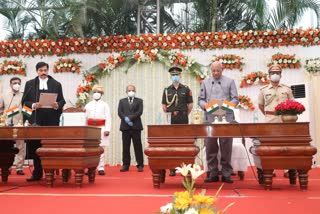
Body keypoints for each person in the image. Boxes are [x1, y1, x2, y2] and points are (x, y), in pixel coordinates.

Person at [22, 61, 65, 182]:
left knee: (50, 148)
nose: (43, 73)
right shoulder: (30, 84)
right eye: (41, 70)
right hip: (36, 121)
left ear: (48, 70)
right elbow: (24, 102)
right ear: (37, 71)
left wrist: (57, 104)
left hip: (51, 120)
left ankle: (50, 173)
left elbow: (62, 101)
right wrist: (34, 105)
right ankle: (37, 173)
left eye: (45, 70)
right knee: (36, 147)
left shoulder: (56, 84)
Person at [198, 61, 239, 183]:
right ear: (211, 70)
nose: (216, 73)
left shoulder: (230, 81)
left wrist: (226, 106)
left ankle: (226, 173)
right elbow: (200, 99)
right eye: (213, 71)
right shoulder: (205, 82)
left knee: (226, 146)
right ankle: (213, 172)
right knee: (210, 146)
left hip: (226, 117)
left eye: (218, 70)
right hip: (210, 118)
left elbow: (235, 99)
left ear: (223, 69)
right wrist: (206, 106)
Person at [256, 64, 294, 182]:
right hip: (270, 120)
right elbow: (261, 106)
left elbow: (292, 105)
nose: (275, 75)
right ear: (269, 75)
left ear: (281, 75)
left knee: (286, 145)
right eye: (273, 73)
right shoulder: (264, 90)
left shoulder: (287, 89)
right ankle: (270, 169)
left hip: (285, 120)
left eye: (277, 73)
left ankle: (287, 170)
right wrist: (270, 115)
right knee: (270, 146)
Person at [161, 66, 193, 176]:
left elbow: (190, 105)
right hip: (171, 119)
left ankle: (184, 167)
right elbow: (164, 107)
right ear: (170, 76)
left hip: (183, 117)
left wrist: (183, 114)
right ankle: (172, 168)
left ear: (180, 76)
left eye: (177, 75)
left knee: (184, 143)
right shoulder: (166, 90)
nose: (175, 77)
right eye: (173, 75)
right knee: (171, 144)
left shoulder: (186, 89)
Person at [0, 77, 25, 175]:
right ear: (10, 84)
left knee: (20, 146)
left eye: (19, 83)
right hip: (6, 124)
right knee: (7, 146)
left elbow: (27, 110)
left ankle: (19, 167)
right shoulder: (4, 95)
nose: (17, 84)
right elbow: (1, 109)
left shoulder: (23, 96)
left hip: (19, 123)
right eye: (15, 83)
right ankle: (7, 166)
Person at [84, 85, 111, 175]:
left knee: (101, 148)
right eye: (95, 92)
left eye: (98, 92)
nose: (96, 94)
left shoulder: (105, 105)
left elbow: (108, 118)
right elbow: (85, 118)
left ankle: (101, 168)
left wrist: (107, 129)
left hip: (101, 128)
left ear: (101, 94)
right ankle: (90, 168)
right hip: (90, 129)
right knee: (90, 149)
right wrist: (85, 129)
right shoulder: (88, 105)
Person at [118, 85, 144, 172]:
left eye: (132, 90)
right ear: (126, 91)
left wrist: (130, 118)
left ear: (135, 91)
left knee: (138, 146)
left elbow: (139, 112)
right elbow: (120, 112)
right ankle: (125, 165)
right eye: (129, 90)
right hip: (125, 127)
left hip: (136, 126)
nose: (131, 92)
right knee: (125, 146)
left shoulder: (139, 101)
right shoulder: (122, 101)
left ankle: (140, 164)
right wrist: (125, 118)